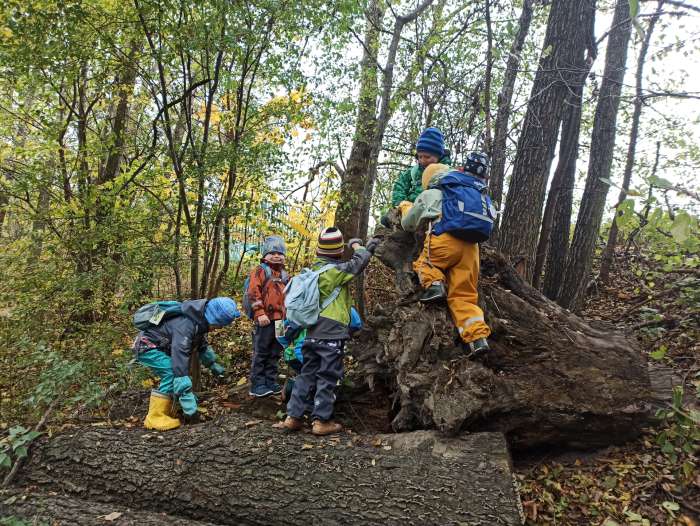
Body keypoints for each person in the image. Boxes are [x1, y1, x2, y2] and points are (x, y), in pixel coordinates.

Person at [282, 228, 378, 436]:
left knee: (306, 374)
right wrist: (358, 247)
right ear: (337, 252)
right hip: (331, 332)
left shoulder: (312, 272)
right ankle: (321, 421)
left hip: (312, 332)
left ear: (318, 251)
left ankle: (293, 417)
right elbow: (357, 264)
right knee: (328, 376)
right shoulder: (332, 273)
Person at [402, 153, 492, 357]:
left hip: (444, 239)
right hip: (471, 248)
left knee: (426, 264)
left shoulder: (431, 193)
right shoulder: (464, 190)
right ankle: (477, 338)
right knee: (465, 296)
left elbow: (408, 223)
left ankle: (434, 286)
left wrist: (404, 206)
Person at [133, 297, 240, 431]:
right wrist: (187, 397)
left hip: (159, 346)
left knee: (176, 372)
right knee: (172, 372)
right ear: (212, 319)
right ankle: (154, 417)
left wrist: (212, 364)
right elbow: (180, 354)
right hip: (147, 346)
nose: (217, 328)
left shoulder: (198, 321)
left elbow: (202, 346)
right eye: (218, 325)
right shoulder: (187, 324)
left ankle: (172, 408)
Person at [247, 235, 289, 398]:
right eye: (272, 252)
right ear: (265, 255)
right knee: (262, 350)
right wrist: (260, 313)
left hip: (280, 320)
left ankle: (270, 381)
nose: (277, 255)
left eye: (280, 253)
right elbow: (253, 292)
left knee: (275, 351)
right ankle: (257, 383)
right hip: (265, 319)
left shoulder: (284, 274)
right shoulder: (260, 270)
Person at [391, 127, 452, 217]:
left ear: (438, 155)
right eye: (420, 157)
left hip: (434, 214)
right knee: (386, 219)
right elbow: (400, 185)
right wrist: (401, 204)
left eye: (427, 157)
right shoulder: (413, 172)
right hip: (409, 212)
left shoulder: (448, 172)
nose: (423, 160)